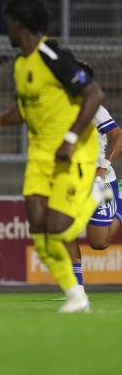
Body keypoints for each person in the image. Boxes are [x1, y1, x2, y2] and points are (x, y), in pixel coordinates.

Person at [0, 0, 112, 313]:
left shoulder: (52, 55)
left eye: (8, 23)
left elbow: (93, 94)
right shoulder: (20, 63)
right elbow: (26, 109)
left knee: (58, 227)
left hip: (73, 155)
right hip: (40, 157)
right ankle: (76, 296)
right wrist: (0, 118)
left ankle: (99, 195)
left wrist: (69, 139)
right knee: (39, 229)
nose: (6, 29)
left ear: (20, 25)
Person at [67, 61, 122, 291]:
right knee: (61, 226)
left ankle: (119, 208)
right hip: (72, 180)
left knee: (99, 243)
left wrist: (103, 166)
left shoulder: (96, 110)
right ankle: (76, 288)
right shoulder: (60, 107)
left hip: (100, 181)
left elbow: (118, 137)